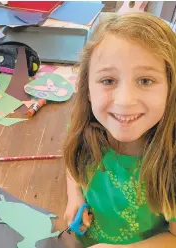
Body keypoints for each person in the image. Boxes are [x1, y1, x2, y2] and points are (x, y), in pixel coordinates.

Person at [63, 12, 176, 248]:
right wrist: (74, 196)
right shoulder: (86, 129)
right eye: (108, 81)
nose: (124, 101)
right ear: (87, 88)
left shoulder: (171, 165)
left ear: (171, 88)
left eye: (145, 80)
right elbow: (72, 161)